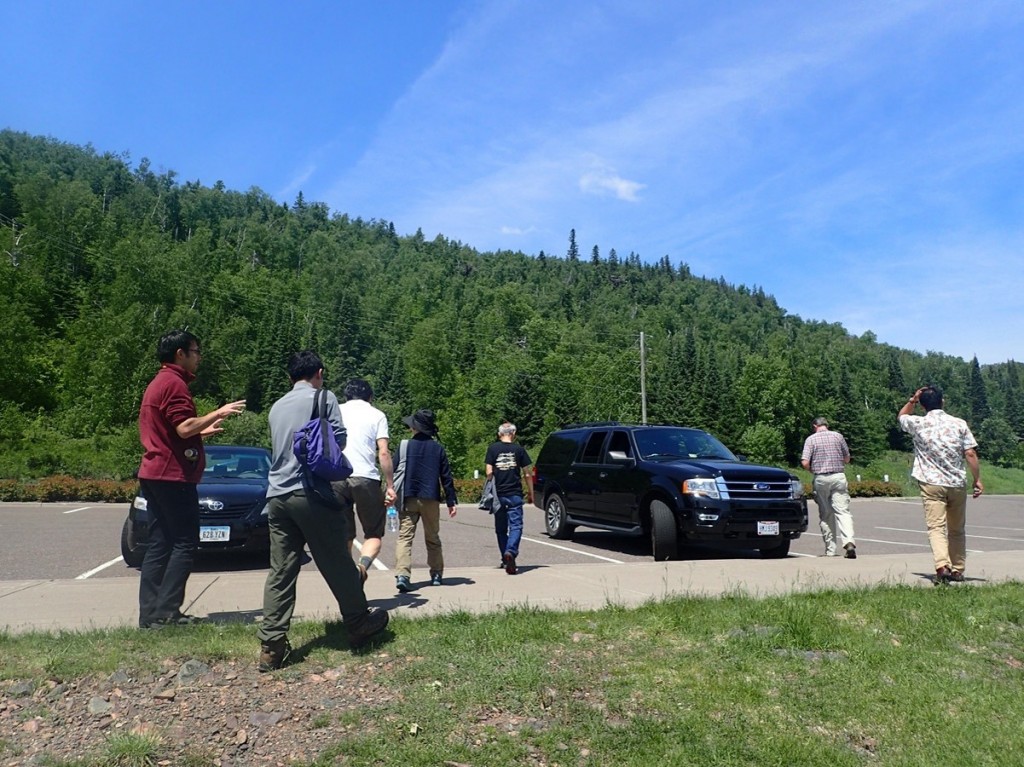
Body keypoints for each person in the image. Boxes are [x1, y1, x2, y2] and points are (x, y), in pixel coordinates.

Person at [258, 351, 389, 672]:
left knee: (281, 570)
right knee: (337, 561)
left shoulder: (276, 407)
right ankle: (358, 623)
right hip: (311, 491)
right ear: (318, 372)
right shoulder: (324, 397)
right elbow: (338, 441)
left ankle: (271, 646)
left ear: (290, 377)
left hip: (277, 495)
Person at [137, 330, 246, 629]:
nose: (199, 357)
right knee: (185, 543)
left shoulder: (158, 382)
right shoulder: (174, 384)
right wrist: (217, 412)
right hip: (172, 475)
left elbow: (173, 430)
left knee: (160, 543)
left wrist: (202, 431)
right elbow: (184, 428)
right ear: (180, 354)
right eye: (196, 351)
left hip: (154, 473)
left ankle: (150, 615)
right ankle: (168, 613)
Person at [898, 385, 983, 584]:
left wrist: (912, 400)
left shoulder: (917, 422)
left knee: (936, 527)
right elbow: (970, 453)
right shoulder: (959, 423)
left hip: (930, 482)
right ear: (942, 402)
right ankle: (958, 569)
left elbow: (901, 416)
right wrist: (977, 479)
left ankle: (942, 565)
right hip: (956, 482)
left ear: (922, 405)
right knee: (957, 529)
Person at [333, 378, 396, 582]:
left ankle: (346, 575)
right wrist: (390, 486)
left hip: (336, 476)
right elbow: (384, 453)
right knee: (373, 533)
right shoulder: (377, 415)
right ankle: (362, 567)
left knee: (344, 533)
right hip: (365, 477)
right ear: (370, 397)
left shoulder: (335, 411)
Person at [393, 409, 458, 592]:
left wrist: (389, 492)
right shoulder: (437, 448)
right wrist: (451, 501)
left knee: (405, 537)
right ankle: (436, 574)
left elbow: (394, 470)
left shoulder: (404, 446)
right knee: (433, 537)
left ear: (415, 427)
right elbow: (446, 477)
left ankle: (403, 575)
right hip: (430, 498)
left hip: (408, 497)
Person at [800, 417, 856, 559]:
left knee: (826, 514)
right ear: (826, 425)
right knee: (843, 511)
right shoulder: (838, 436)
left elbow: (805, 462)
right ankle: (849, 541)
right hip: (838, 476)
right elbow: (847, 458)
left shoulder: (811, 439)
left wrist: (813, 470)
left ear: (815, 426)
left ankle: (830, 550)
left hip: (821, 478)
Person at [485, 422, 534, 574]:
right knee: (516, 526)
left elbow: (488, 471)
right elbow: (527, 473)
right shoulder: (519, 449)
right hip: (515, 494)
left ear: (500, 434)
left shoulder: (493, 448)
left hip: (498, 495)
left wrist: (490, 488)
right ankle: (510, 552)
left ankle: (504, 558)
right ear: (513, 433)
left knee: (500, 529)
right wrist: (531, 492)